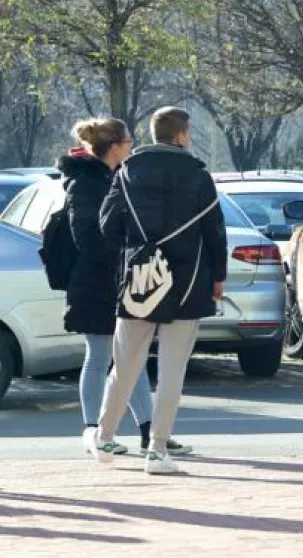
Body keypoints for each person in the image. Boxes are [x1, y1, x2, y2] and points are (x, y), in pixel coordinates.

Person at [85, 107, 227, 475]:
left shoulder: (128, 171)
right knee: (172, 370)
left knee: (125, 365)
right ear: (182, 134)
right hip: (188, 281)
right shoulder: (198, 175)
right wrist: (218, 276)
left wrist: (135, 250)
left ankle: (104, 436)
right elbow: (214, 231)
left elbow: (107, 226)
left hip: (139, 281)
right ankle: (158, 449)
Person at [62, 118, 193, 458]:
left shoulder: (114, 177)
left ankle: (149, 431)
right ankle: (95, 430)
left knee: (127, 358)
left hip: (119, 281)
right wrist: (123, 255)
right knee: (101, 355)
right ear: (116, 145)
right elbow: (88, 237)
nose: (133, 146)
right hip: (94, 283)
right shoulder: (85, 182)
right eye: (129, 140)